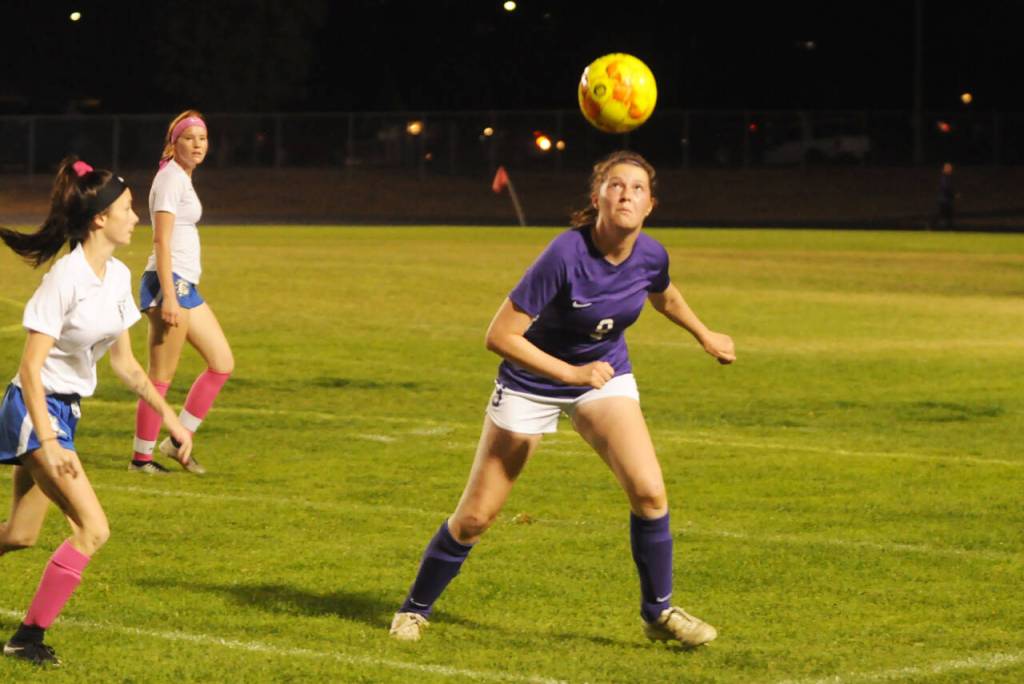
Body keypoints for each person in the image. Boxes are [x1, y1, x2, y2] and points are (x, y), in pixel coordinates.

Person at [390, 150, 736, 646]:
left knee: (649, 492)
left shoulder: (652, 254)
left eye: (637, 189)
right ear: (596, 197)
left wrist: (704, 334)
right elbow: (500, 335)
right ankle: (413, 609)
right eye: (616, 185)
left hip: (603, 375)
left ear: (650, 205)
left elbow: (663, 293)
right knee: (476, 516)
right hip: (532, 382)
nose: (626, 195)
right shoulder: (565, 254)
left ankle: (658, 613)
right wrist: (571, 372)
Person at [0, 158, 194, 665]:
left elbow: (128, 366)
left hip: (62, 413)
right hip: (32, 409)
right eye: (129, 209)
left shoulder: (117, 275)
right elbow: (30, 366)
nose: (137, 218)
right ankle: (27, 640)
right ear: (100, 219)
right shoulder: (65, 279)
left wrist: (171, 419)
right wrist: (48, 443)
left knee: (20, 536)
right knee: (93, 529)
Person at [130, 110, 233, 474]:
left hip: (184, 284)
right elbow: (160, 239)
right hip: (168, 283)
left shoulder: (182, 178)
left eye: (202, 139)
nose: (197, 144)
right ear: (173, 143)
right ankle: (141, 459)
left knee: (221, 363)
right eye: (189, 138)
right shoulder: (170, 178)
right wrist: (169, 298)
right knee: (160, 375)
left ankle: (177, 441)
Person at [932, 162, 956, 230]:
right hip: (944, 200)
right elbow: (946, 188)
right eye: (948, 168)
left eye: (950, 167)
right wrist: (953, 195)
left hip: (945, 199)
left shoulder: (947, 177)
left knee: (946, 215)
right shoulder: (944, 177)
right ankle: (933, 226)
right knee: (945, 214)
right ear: (945, 169)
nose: (950, 169)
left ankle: (948, 228)